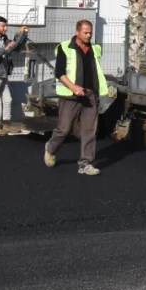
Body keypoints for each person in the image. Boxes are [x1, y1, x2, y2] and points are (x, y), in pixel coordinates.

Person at [43, 19, 109, 175]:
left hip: (90, 95)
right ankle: (50, 148)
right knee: (64, 129)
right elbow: (59, 73)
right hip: (70, 96)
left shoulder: (95, 49)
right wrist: (73, 87)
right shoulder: (65, 47)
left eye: (90, 32)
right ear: (77, 32)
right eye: (85, 32)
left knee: (90, 130)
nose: (88, 35)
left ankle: (85, 164)